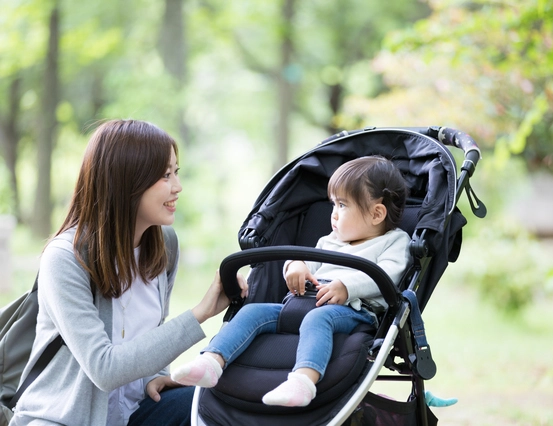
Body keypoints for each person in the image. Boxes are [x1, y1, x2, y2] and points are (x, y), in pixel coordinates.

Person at [9, 119, 247, 426]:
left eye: (176, 172)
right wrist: (200, 313)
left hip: (135, 412)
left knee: (213, 403)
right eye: (164, 175)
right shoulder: (65, 259)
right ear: (127, 181)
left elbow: (148, 333)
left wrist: (158, 377)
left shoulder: (164, 244)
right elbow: (104, 368)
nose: (177, 186)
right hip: (63, 420)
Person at [172, 156, 411, 407]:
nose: (334, 214)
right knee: (252, 312)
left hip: (353, 310)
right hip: (302, 303)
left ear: (377, 213)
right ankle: (211, 361)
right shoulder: (330, 241)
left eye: (342, 205)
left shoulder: (394, 242)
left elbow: (388, 275)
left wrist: (347, 287)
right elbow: (309, 263)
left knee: (318, 318)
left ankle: (302, 382)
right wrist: (295, 266)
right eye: (332, 205)